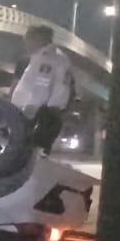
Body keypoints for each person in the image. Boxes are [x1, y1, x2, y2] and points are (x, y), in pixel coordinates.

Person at [11, 25, 75, 153]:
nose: (25, 43)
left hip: (38, 115)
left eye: (28, 39)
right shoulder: (57, 57)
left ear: (38, 39)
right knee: (37, 154)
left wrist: (26, 115)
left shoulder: (47, 58)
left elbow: (41, 87)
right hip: (47, 115)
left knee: (28, 154)